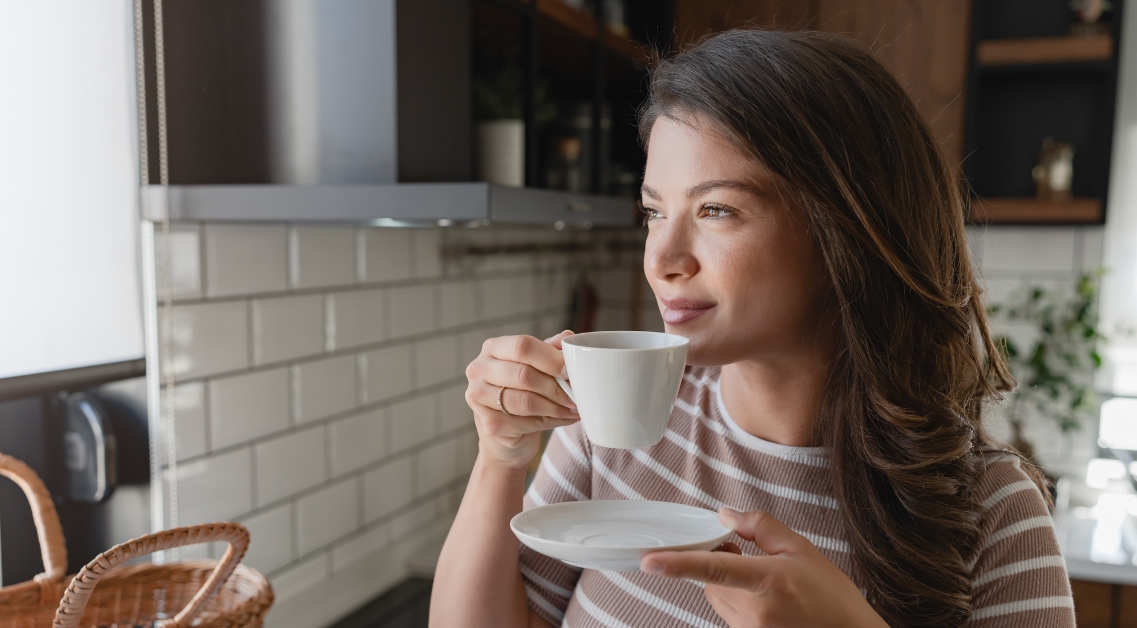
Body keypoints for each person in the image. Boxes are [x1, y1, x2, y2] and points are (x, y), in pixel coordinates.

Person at [430, 29, 1072, 628]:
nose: (661, 259)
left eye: (716, 210)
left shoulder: (995, 512)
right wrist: (500, 458)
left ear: (845, 233)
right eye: (654, 212)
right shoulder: (616, 423)